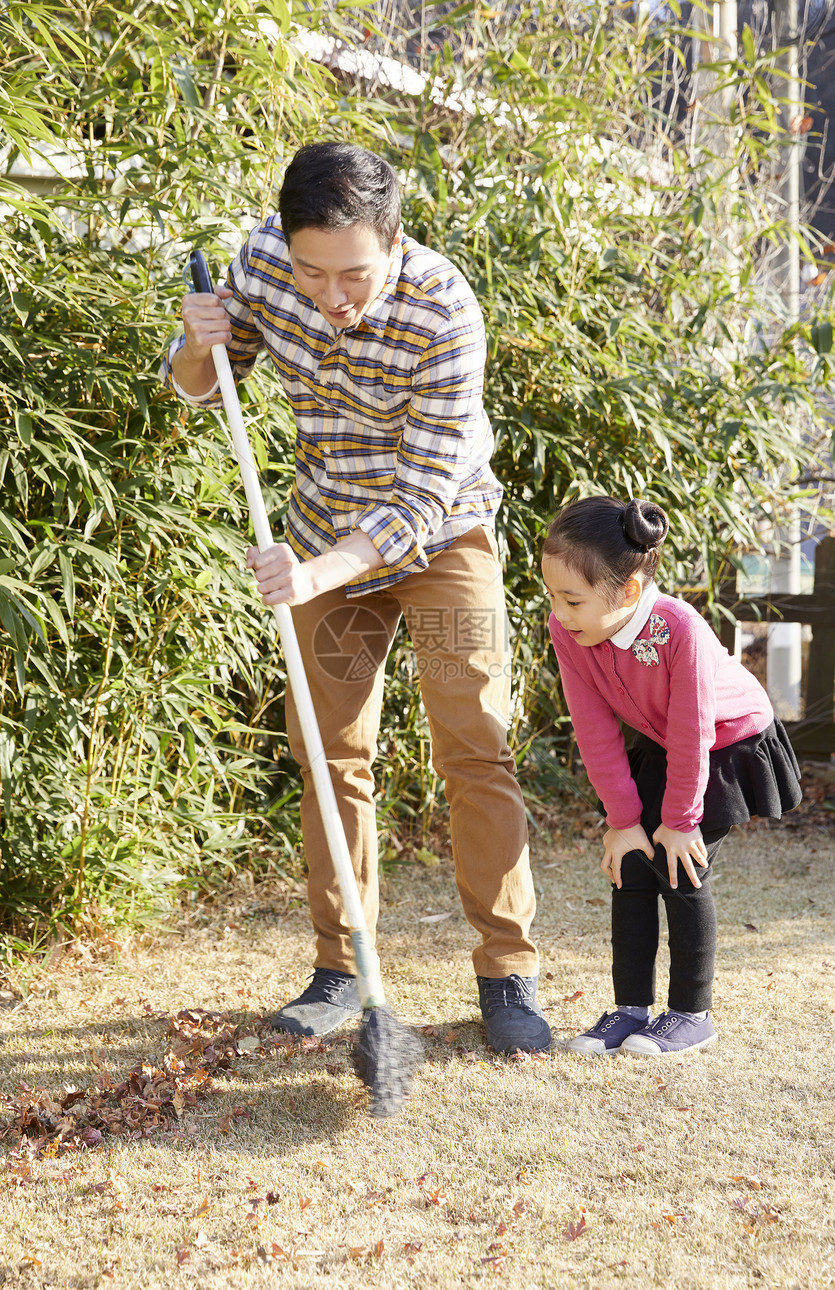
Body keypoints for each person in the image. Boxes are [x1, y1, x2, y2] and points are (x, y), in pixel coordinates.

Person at [161, 141, 550, 1055]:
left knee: (474, 745)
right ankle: (342, 969)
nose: (333, 295)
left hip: (441, 537)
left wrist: (315, 572)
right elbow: (201, 391)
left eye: (354, 274)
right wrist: (196, 343)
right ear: (284, 247)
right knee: (331, 753)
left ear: (396, 239)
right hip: (322, 519)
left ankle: (508, 973)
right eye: (311, 271)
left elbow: (422, 494)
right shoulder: (261, 264)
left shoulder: (444, 307)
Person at [542, 495, 802, 1056]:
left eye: (573, 599)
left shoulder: (679, 628)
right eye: (553, 596)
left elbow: (694, 731)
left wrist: (681, 822)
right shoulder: (569, 631)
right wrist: (623, 820)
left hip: (727, 740)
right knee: (631, 865)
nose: (559, 613)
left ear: (629, 591)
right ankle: (630, 1010)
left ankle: (691, 1015)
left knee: (680, 869)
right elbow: (594, 729)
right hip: (662, 737)